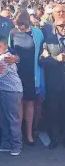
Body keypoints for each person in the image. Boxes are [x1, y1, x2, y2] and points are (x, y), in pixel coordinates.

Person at [8, 11, 44, 146]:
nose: (19, 28)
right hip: (17, 74)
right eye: (17, 25)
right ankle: (19, 135)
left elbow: (41, 51)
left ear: (27, 22)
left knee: (30, 103)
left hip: (32, 73)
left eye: (21, 25)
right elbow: (9, 51)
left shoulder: (37, 33)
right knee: (18, 104)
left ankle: (29, 134)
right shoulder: (12, 33)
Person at [0, 36, 23, 156]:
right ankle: (6, 144)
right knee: (4, 119)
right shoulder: (5, 56)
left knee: (12, 119)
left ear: (5, 45)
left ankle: (16, 146)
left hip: (11, 92)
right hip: (6, 91)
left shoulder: (5, 58)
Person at [39, 17, 65, 150]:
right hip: (54, 83)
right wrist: (56, 58)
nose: (63, 27)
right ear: (56, 26)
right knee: (54, 111)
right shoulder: (49, 40)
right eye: (61, 25)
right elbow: (42, 60)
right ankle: (54, 139)